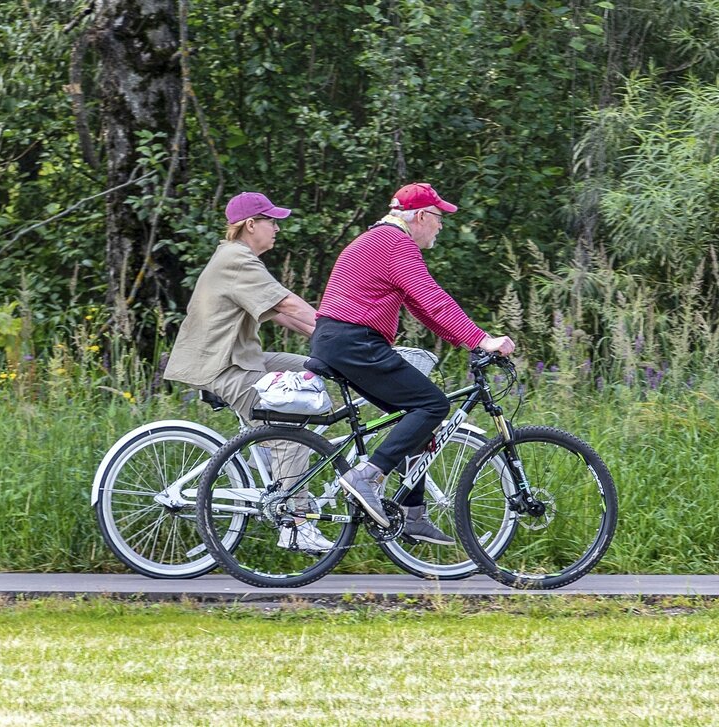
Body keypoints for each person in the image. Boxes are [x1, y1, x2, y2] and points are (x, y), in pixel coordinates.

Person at [310, 182, 515, 544]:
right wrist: (483, 339)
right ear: (420, 216)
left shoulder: (382, 240)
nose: (441, 226)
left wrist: (467, 341)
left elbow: (423, 308)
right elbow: (433, 299)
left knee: (416, 418)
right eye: (438, 218)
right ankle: (367, 476)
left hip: (341, 340)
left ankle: (411, 513)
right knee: (432, 404)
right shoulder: (396, 243)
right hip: (354, 340)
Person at [164, 191, 333, 552]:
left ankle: (283, 466)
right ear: (251, 224)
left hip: (240, 359)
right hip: (223, 367)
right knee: (291, 423)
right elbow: (288, 303)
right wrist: (339, 332)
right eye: (272, 221)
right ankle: (295, 521)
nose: (277, 228)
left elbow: (284, 314)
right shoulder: (237, 259)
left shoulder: (239, 260)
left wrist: (338, 345)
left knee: (318, 369)